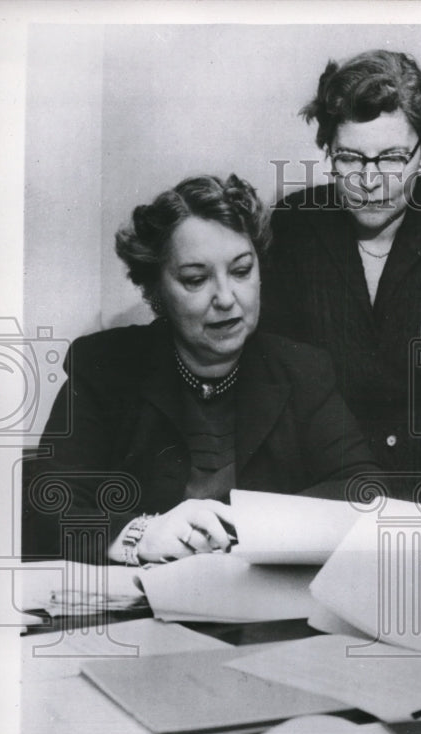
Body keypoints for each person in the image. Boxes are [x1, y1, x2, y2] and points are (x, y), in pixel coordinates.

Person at [22, 175, 380, 566]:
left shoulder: (302, 369)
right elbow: (47, 507)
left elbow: (362, 488)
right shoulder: (105, 367)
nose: (226, 298)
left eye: (241, 271)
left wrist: (251, 525)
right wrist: (140, 535)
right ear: (155, 290)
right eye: (196, 279)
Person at [260, 49, 421, 484]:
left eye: (393, 158)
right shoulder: (294, 226)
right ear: (328, 149)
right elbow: (270, 384)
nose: (370, 180)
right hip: (318, 492)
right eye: (349, 158)